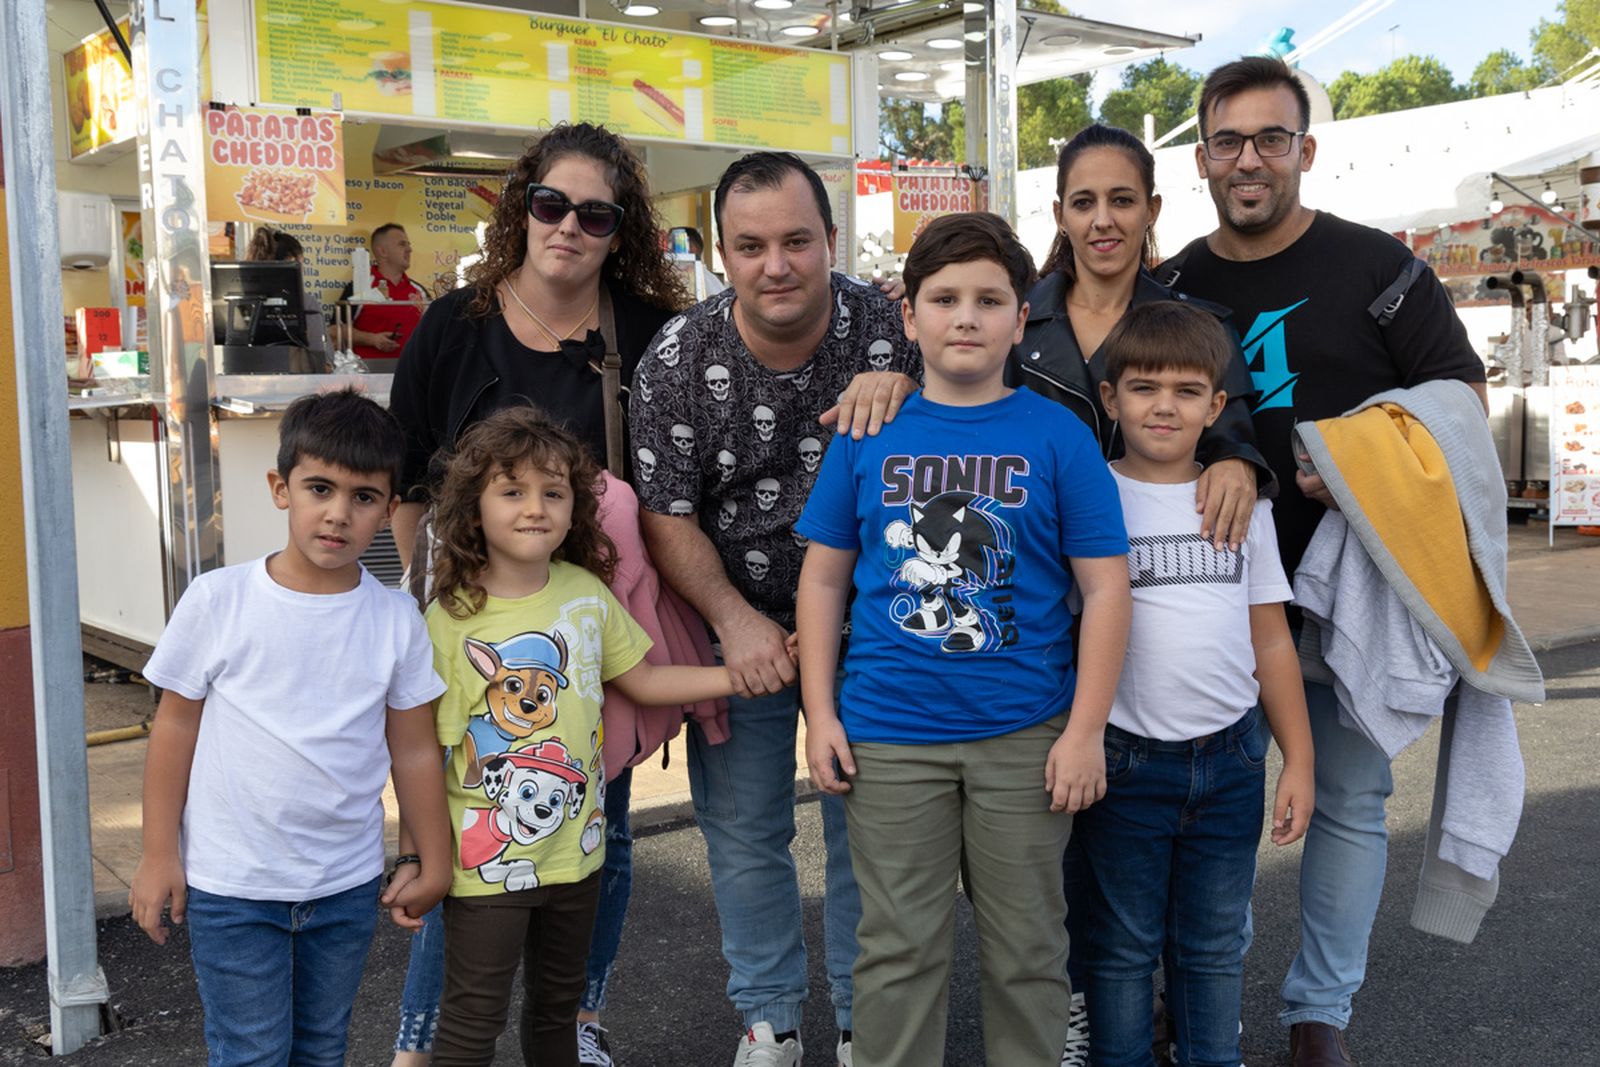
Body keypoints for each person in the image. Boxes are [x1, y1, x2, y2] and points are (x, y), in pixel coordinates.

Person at [1155, 56, 1489, 1067]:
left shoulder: (1381, 271)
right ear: (1203, 155)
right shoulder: (1172, 283)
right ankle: (1192, 998)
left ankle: (1320, 1016)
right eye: (1227, 140)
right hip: (1208, 602)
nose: (1247, 158)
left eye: (1269, 138)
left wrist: (1352, 460)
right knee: (1193, 809)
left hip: (1347, 598)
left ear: (1305, 149)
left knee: (1346, 802)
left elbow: (1461, 402)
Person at [387, 121, 698, 1067]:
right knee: (471, 824)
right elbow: (408, 482)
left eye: (595, 213)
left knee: (599, 825)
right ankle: (422, 1039)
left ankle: (577, 1024)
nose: (568, 226)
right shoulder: (455, 324)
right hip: (482, 621)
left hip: (596, 621)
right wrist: (427, 602)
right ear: (521, 207)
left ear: (622, 228)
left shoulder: (647, 329)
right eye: (550, 203)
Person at [795, 211, 1132, 1067]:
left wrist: (1086, 729)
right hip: (889, 736)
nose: (966, 316)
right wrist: (821, 713)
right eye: (943, 298)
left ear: (1023, 318)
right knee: (899, 950)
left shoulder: (1060, 435)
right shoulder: (869, 434)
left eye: (990, 299)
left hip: (1026, 735)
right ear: (908, 317)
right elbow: (825, 577)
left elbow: (1104, 587)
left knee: (1027, 951)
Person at [628, 151, 920, 1067]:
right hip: (742, 619)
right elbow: (663, 509)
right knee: (745, 827)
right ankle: (770, 1021)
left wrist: (913, 386)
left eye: (798, 241)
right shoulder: (679, 355)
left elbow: (980, 400)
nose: (777, 265)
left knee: (862, 827)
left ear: (832, 240)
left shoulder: (893, 329)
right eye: (751, 246)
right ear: (722, 253)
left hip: (874, 621)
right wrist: (731, 614)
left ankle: (861, 1016)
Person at [127, 388, 453, 1066]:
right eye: (319, 487)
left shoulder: (396, 620)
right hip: (233, 886)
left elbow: (416, 750)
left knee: (320, 1049)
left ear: (391, 510)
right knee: (252, 1053)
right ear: (281, 488)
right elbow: (174, 731)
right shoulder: (218, 600)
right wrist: (159, 854)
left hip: (344, 884)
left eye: (364, 497)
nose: (338, 513)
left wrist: (434, 856)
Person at [419, 406, 739, 1065]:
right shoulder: (449, 619)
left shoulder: (587, 595)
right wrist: (415, 857)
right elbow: (426, 753)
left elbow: (645, 681)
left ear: (574, 509)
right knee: (472, 1022)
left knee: (558, 1016)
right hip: (484, 869)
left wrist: (739, 675)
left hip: (578, 856)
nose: (535, 506)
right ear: (473, 508)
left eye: (553, 491)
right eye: (512, 490)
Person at [1071, 301, 1315, 1067]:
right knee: (1119, 946)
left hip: (1232, 759)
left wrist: (1299, 760)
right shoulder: (1090, 496)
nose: (1164, 406)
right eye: (1143, 387)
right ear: (1110, 398)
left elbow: (1270, 637)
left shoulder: (1242, 501)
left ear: (1216, 405)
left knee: (1211, 946)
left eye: (1185, 390)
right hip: (1123, 759)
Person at [1012, 124, 1271, 553]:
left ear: (1151, 209)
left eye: (1122, 200)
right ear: (1060, 216)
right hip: (1036, 568)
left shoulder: (1204, 327)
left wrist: (1238, 462)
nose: (1102, 220)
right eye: (1083, 203)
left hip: (1162, 572)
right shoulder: (1009, 326)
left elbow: (1233, 437)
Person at [343, 223, 429, 365]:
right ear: (382, 251)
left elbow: (432, 332)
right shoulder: (360, 287)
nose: (409, 249)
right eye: (402, 244)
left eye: (408, 244)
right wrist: (372, 339)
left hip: (412, 373)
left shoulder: (418, 290)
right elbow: (335, 331)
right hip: (367, 376)